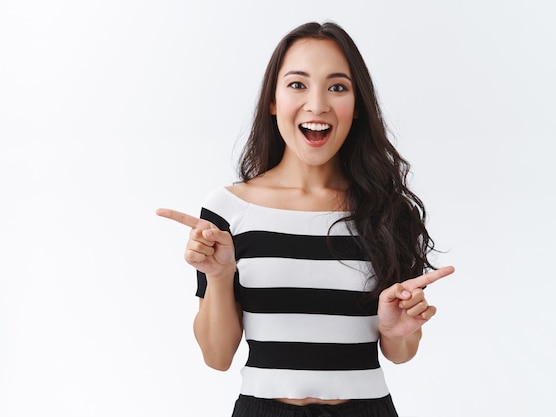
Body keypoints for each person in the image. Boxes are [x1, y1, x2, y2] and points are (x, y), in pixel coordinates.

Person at [157, 21, 455, 417]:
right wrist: (218, 275)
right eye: (298, 84)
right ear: (273, 101)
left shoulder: (386, 209)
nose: (317, 105)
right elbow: (217, 356)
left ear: (358, 105)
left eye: (337, 87)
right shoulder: (229, 209)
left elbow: (400, 353)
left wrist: (396, 329)